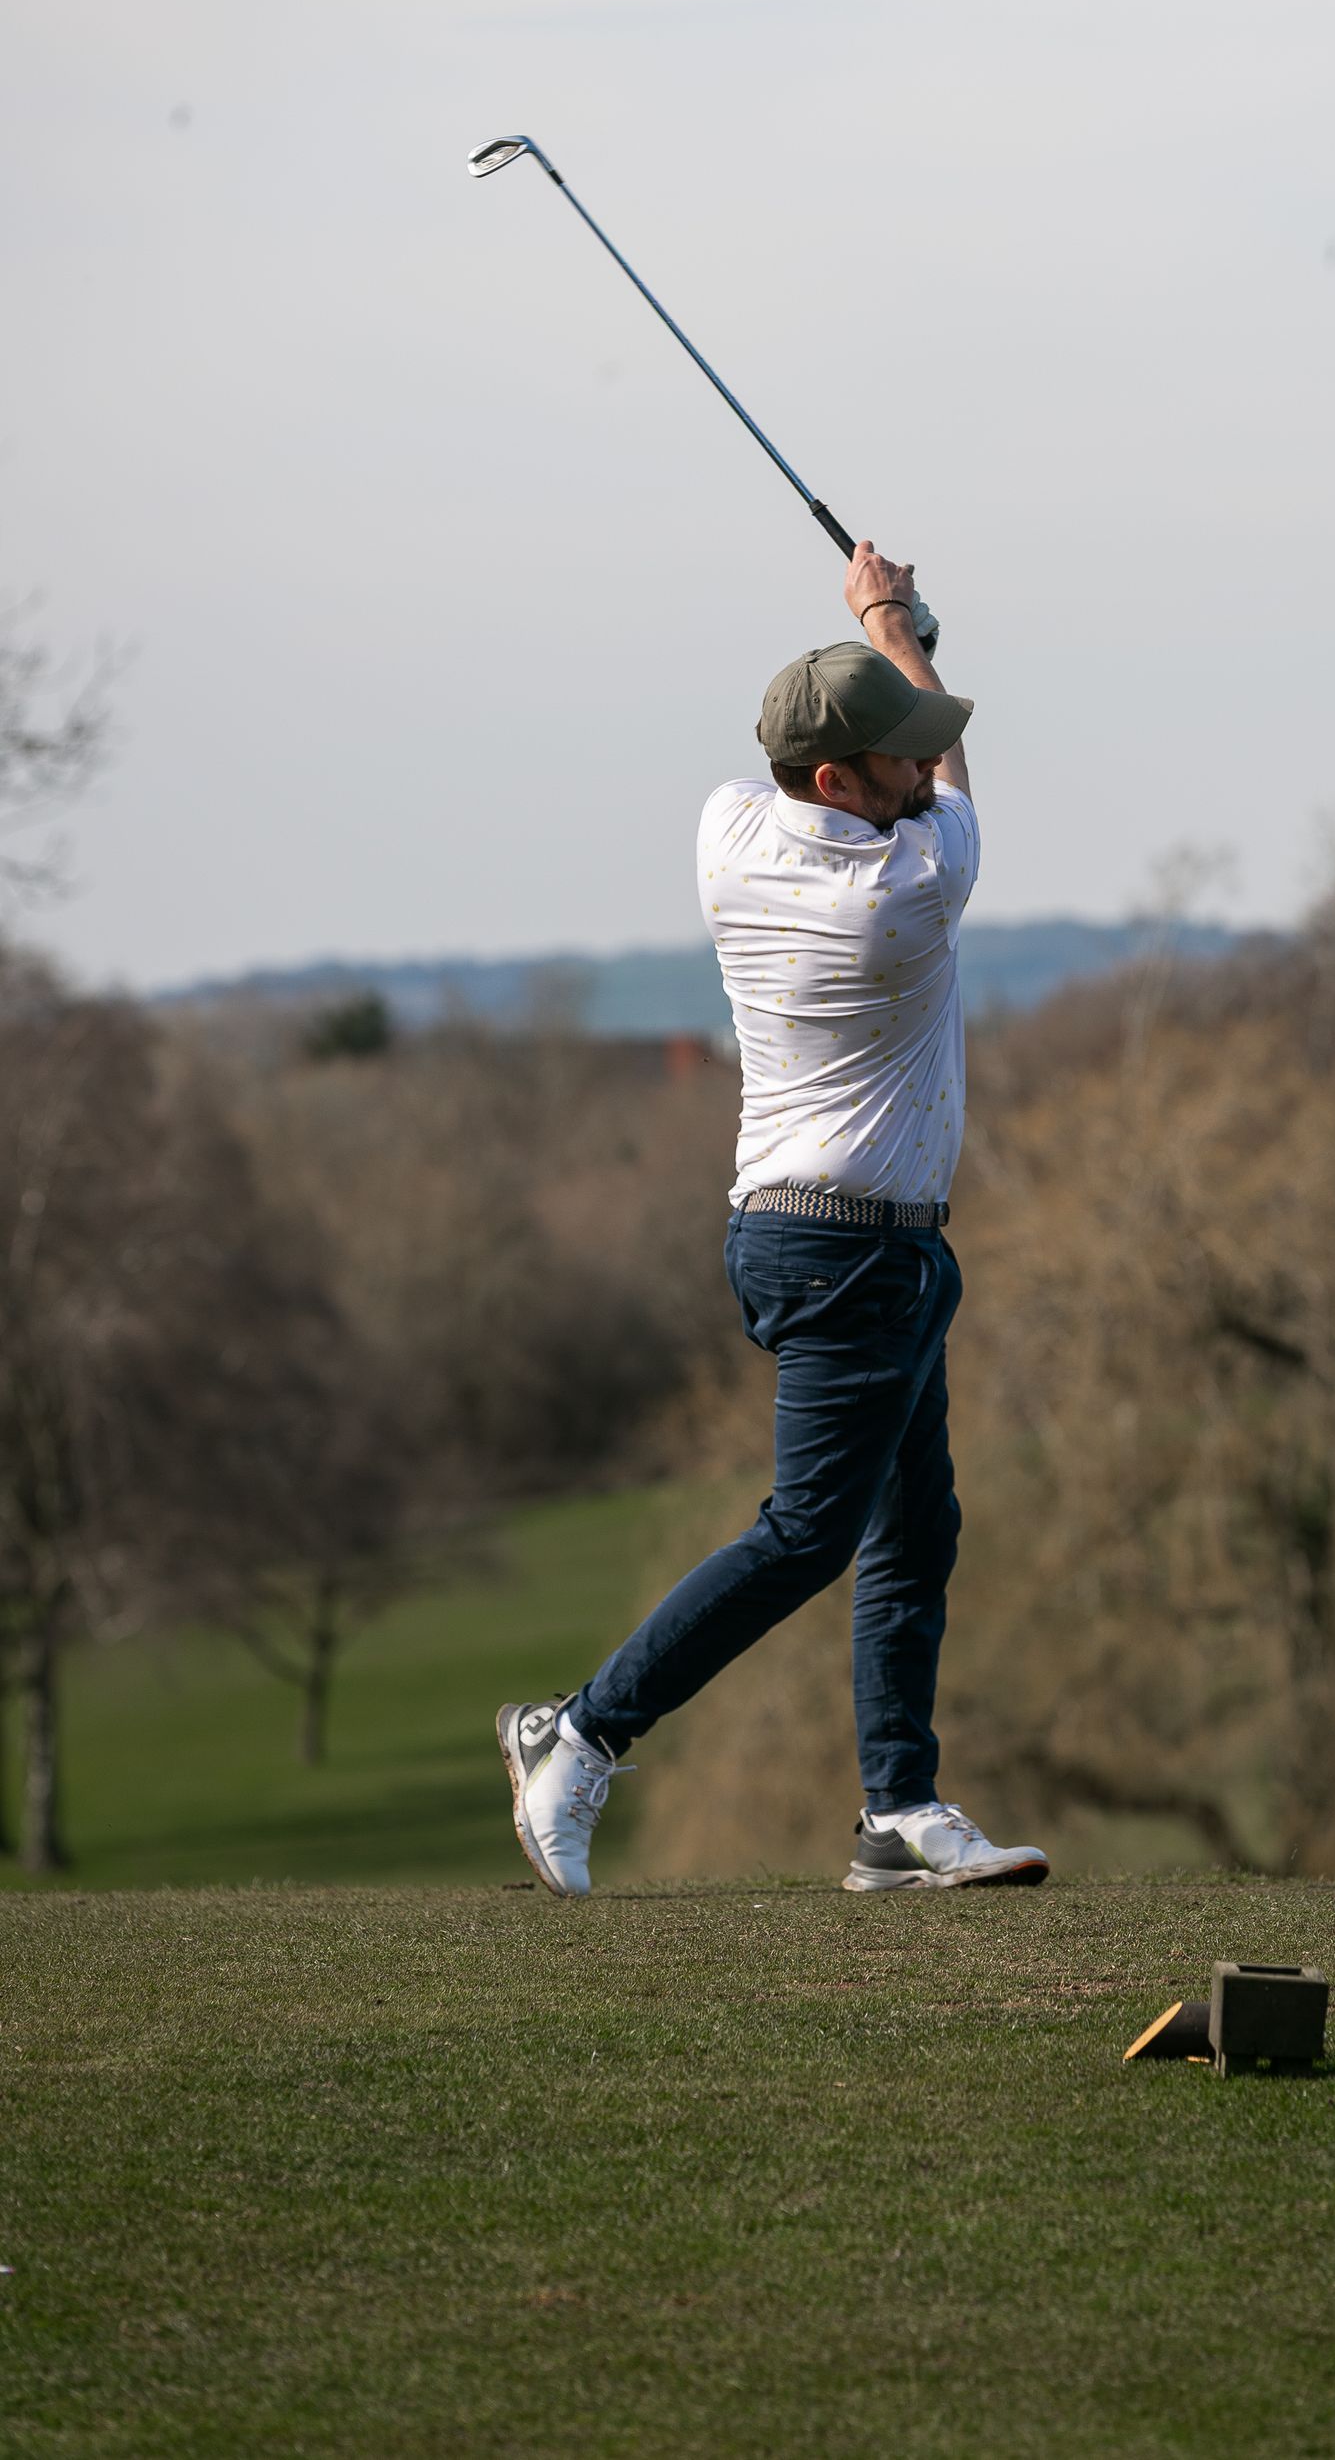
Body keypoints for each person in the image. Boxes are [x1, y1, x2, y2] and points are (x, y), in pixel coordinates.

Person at [497, 540, 1048, 1899]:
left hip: (831, 1239)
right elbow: (956, 783)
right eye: (892, 756)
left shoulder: (728, 829)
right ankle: (580, 1733)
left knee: (916, 1523)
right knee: (809, 1531)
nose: (919, 766)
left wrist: (885, 649)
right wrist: (890, 616)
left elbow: (902, 755)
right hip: (852, 1253)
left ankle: (897, 1812)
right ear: (836, 783)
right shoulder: (905, 893)